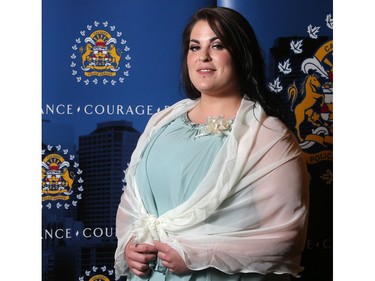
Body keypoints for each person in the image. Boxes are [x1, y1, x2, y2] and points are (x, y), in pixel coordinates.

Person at [114, 6, 309, 281]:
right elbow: (132, 207)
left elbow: (284, 236)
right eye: (195, 47)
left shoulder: (268, 136)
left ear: (241, 54)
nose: (203, 56)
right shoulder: (161, 122)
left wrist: (197, 255)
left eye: (217, 45)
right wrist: (131, 246)